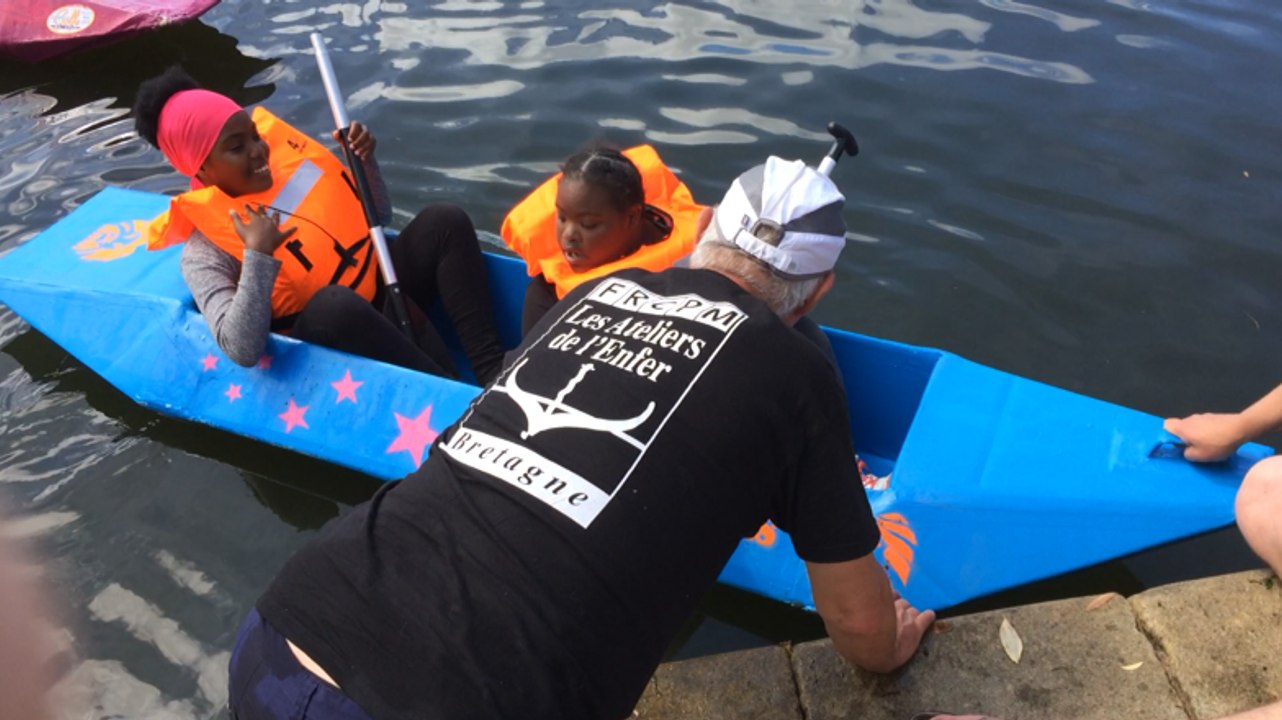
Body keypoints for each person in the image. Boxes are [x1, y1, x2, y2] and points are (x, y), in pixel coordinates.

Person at [227, 154, 935, 719]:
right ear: (821, 289)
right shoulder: (800, 375)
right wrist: (892, 642)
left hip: (278, 639)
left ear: (706, 233)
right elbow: (858, 626)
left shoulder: (593, 295)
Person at [132, 66, 504, 385]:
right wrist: (258, 254)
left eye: (255, 136)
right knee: (333, 305)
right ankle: (451, 396)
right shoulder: (203, 252)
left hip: (384, 296)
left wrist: (363, 164)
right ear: (200, 168)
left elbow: (377, 218)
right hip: (330, 342)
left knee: (444, 220)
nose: (258, 150)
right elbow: (240, 348)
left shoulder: (289, 171)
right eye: (236, 147)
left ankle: (493, 373)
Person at [501, 144, 704, 334]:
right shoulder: (547, 293)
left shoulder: (699, 256)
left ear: (633, 217)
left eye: (588, 224)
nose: (568, 235)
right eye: (562, 218)